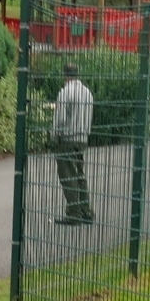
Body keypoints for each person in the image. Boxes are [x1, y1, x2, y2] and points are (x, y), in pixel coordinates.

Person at [50, 61, 94, 225]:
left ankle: (74, 214)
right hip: (82, 138)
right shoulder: (87, 92)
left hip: (67, 138)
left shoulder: (65, 92)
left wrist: (53, 137)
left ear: (65, 75)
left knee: (68, 176)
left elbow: (60, 119)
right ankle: (86, 211)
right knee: (79, 175)